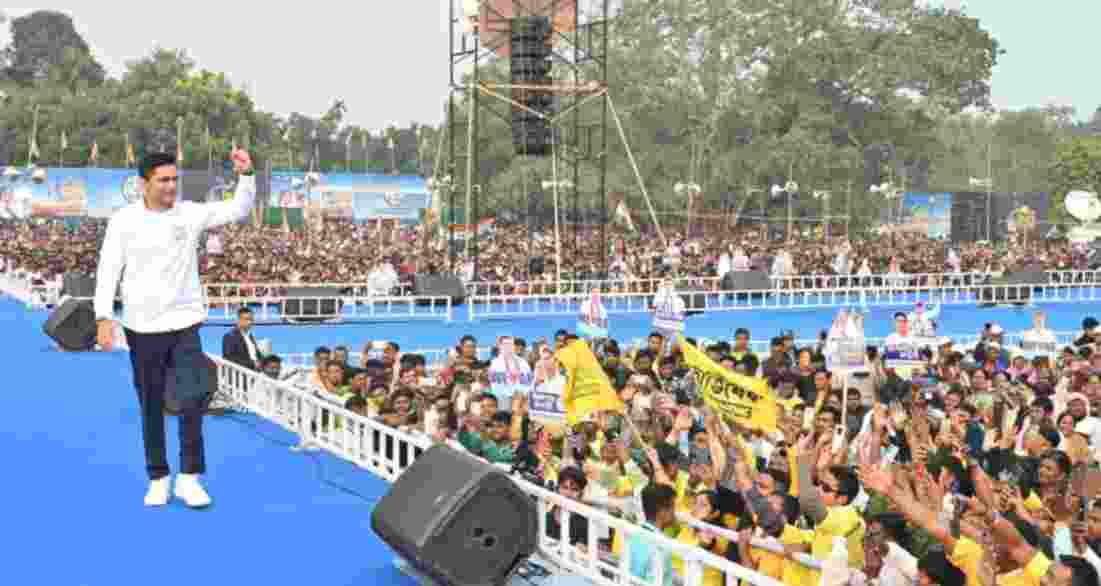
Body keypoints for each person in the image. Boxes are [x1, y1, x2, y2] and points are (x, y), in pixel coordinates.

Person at [94, 150, 256, 508]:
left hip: (184, 323)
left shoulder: (190, 213)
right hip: (142, 326)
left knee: (193, 398)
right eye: (163, 180)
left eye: (174, 179)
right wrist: (103, 316)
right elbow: (108, 269)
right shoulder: (123, 221)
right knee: (151, 404)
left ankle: (189, 478)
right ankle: (158, 477)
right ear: (143, 184)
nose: (170, 186)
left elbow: (237, 209)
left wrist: (246, 176)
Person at [222, 307, 262, 371]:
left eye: (251, 319)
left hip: (254, 373)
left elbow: (257, 355)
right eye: (247, 319)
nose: (250, 322)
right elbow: (229, 358)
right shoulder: (230, 336)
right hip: (240, 374)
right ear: (238, 320)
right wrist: (253, 363)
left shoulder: (250, 336)